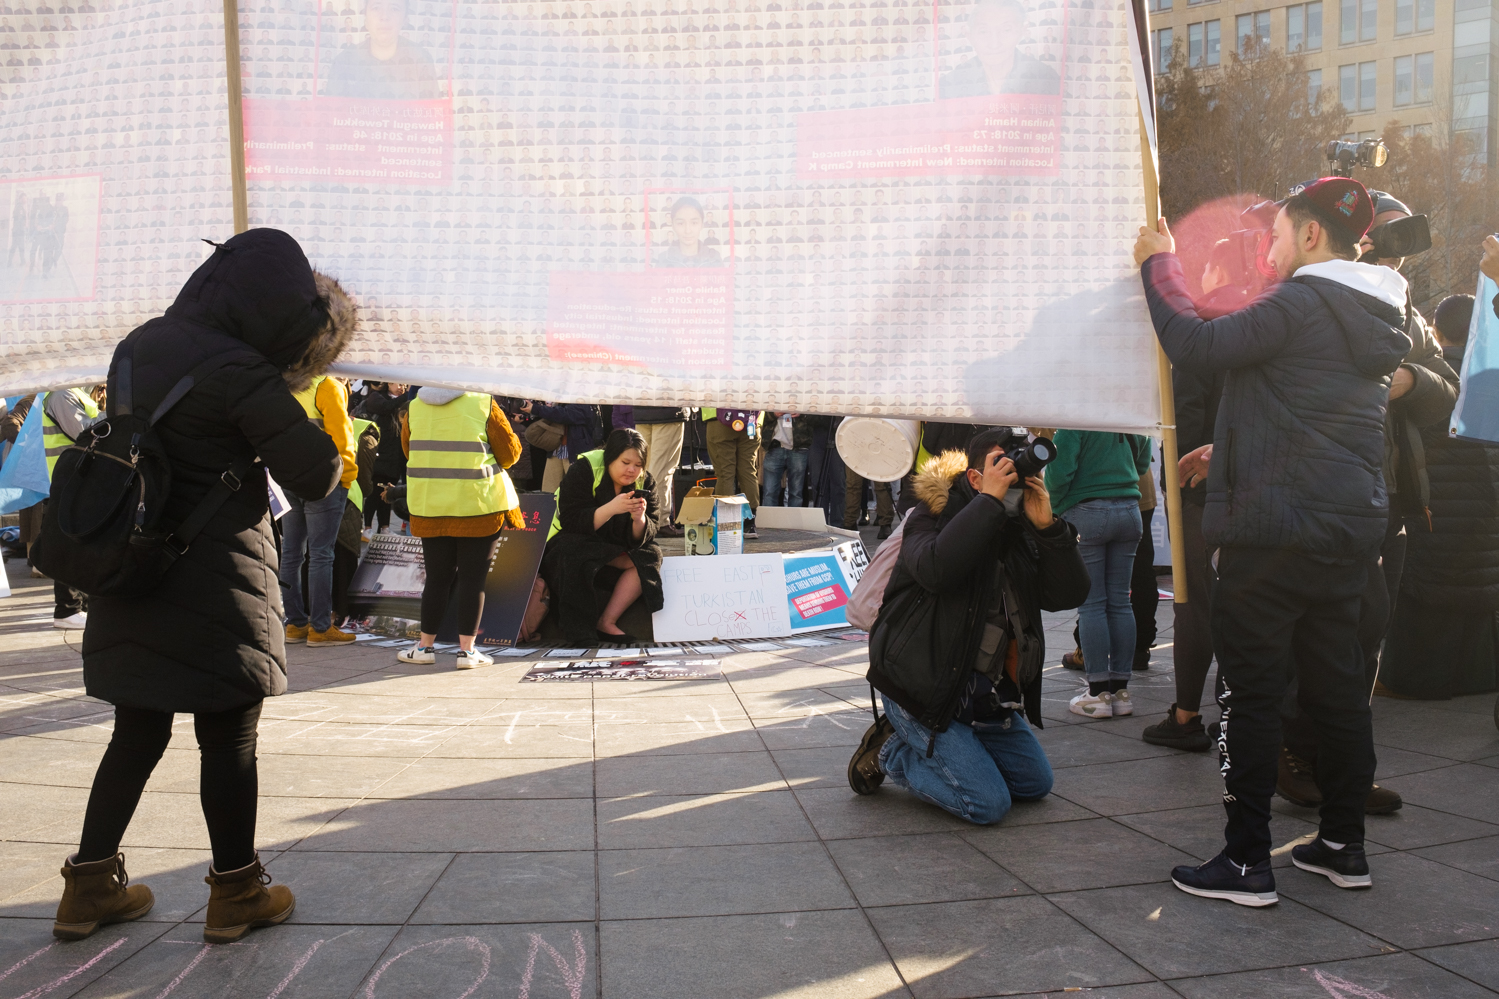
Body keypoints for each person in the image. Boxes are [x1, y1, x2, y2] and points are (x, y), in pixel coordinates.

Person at [56, 227, 354, 943]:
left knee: (135, 729)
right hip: (216, 579)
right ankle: (237, 891)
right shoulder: (240, 370)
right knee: (229, 737)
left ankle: (89, 886)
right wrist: (297, 388)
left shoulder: (139, 343)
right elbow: (314, 473)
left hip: (132, 566)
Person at [1135, 177, 1411, 905]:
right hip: (1343, 533)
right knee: (1339, 693)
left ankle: (1245, 859)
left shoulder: (1298, 301)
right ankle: (1342, 846)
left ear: (1311, 235)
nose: (1270, 246)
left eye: (1279, 233)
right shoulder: (1378, 308)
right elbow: (1310, 419)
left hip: (1269, 538)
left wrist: (1155, 264)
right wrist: (1224, 452)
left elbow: (1193, 343)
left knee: (1250, 696)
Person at [1276, 190, 1457, 814]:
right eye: (1389, 233)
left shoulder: (1404, 311)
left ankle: (1348, 768)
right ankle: (1296, 755)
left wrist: (1408, 379)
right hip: (1324, 499)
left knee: (1366, 642)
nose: (1399, 249)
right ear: (1361, 237)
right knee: (1319, 635)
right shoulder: (1310, 300)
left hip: (1394, 502)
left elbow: (1447, 389)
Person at [847, 430, 1090, 823]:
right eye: (1000, 464)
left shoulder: (1017, 525)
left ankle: (959, 748)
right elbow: (937, 569)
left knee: (1034, 785)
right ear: (975, 478)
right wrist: (989, 504)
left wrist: (1048, 527)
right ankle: (894, 751)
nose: (1011, 472)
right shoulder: (931, 514)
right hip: (921, 688)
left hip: (984, 695)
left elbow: (1068, 595)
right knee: (987, 804)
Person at [1141, 240, 1239, 751]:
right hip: (1256, 487)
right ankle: (1232, 713)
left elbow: (1186, 413)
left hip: (1202, 485)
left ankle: (1186, 714)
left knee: (1194, 603)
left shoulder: (1203, 330)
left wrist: (1183, 479)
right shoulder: (1270, 318)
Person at [1379, 292, 1499, 699]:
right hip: (1487, 508)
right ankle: (1480, 677)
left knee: (1428, 593)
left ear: (1437, 331)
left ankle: (1417, 679)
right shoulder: (1491, 372)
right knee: (1478, 586)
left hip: (1437, 507)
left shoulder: (1433, 377)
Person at [396, 388, 523, 670]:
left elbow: (408, 450)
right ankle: (467, 652)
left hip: (430, 507)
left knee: (437, 578)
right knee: (472, 579)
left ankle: (424, 647)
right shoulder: (484, 404)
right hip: (478, 506)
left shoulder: (415, 407)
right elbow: (510, 453)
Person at [1045, 430, 1151, 719]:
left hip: (1087, 511)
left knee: (1092, 604)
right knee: (1120, 601)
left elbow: (1058, 473)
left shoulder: (1076, 416)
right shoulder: (1128, 410)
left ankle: (1098, 694)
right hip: (1130, 511)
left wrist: (1053, 509)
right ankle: (1121, 692)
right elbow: (1141, 465)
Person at [541, 428, 665, 643]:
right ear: (610, 457)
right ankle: (578, 631)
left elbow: (650, 529)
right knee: (573, 552)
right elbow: (571, 521)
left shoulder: (646, 481)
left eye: (638, 465)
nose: (631, 471)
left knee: (650, 555)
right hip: (570, 540)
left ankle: (607, 621)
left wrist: (639, 519)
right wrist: (611, 508)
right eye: (625, 462)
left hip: (613, 548)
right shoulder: (584, 469)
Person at [279, 373, 359, 647]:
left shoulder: (285, 384)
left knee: (291, 552)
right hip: (325, 480)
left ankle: (295, 624)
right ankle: (321, 628)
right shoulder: (327, 387)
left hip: (289, 477)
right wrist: (347, 476)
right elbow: (343, 440)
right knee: (321, 554)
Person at [40, 384, 106, 629]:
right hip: (70, 478)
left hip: (79, 478)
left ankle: (80, 606)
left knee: (82, 543)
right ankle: (68, 609)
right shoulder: (62, 394)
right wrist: (115, 413)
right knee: (70, 544)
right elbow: (88, 432)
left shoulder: (74, 393)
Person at [938, 0, 1060, 99]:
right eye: (983, 31)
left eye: (1006, 30)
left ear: (1022, 31)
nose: (994, 44)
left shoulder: (1047, 78)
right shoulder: (947, 85)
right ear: (969, 36)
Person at [326, 0, 441, 100]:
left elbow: (433, 118)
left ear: (405, 20)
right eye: (376, 8)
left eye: (394, 8)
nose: (384, 16)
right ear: (365, 17)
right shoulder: (343, 62)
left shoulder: (421, 60)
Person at [612, 403, 690, 537]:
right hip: (668, 412)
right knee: (661, 469)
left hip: (642, 412)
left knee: (643, 469)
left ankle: (642, 518)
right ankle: (660, 521)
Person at [354, 381, 410, 534]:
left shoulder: (405, 403)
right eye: (398, 384)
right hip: (377, 452)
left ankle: (385, 526)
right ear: (388, 383)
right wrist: (406, 396)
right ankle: (367, 527)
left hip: (395, 456)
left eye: (404, 385)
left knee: (388, 492)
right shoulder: (377, 397)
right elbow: (386, 407)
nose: (401, 387)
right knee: (373, 492)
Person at [515, 400, 601, 492]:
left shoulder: (584, 399)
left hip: (575, 451)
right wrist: (527, 418)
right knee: (548, 492)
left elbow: (565, 415)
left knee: (576, 491)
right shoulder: (561, 397)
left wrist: (536, 409)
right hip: (556, 450)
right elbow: (551, 419)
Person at [703, 406, 761, 537]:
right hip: (751, 421)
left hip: (719, 419)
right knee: (748, 471)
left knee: (725, 474)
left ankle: (726, 524)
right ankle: (749, 524)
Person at [761, 411, 814, 508]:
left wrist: (802, 413)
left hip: (799, 447)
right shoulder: (770, 397)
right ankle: (768, 522)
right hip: (774, 446)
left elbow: (818, 417)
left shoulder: (806, 397)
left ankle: (793, 522)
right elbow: (758, 417)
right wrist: (773, 414)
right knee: (770, 492)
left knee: (796, 493)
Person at [653, 196, 724, 267]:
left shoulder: (714, 258)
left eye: (694, 223)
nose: (687, 231)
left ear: (702, 224)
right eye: (680, 223)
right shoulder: (663, 259)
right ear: (673, 225)